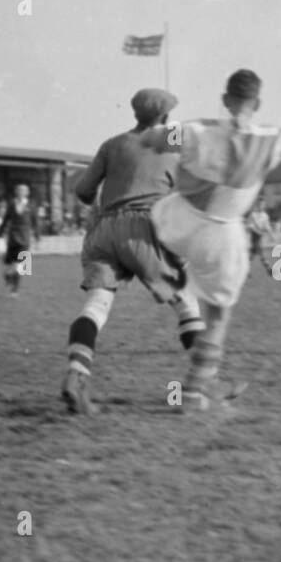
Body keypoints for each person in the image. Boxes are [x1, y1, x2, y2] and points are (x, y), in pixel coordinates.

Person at [140, 70, 281, 413]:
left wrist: (165, 129)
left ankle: (170, 279)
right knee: (217, 317)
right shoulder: (270, 138)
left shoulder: (195, 130)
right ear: (257, 102)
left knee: (197, 292)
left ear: (225, 99)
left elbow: (152, 141)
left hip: (178, 220)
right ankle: (191, 393)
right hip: (221, 233)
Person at [59, 88, 206, 415]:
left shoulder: (112, 144)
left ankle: (76, 374)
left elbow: (83, 191)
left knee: (97, 305)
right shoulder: (173, 143)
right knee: (186, 303)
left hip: (104, 229)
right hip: (145, 228)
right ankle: (204, 385)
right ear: (165, 118)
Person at [0, 184, 39, 296]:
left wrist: (38, 238)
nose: (21, 192)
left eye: (23, 190)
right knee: (7, 268)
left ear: (27, 193)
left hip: (25, 240)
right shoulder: (11, 205)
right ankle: (9, 281)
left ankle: (14, 290)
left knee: (20, 267)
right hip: (12, 239)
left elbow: (35, 223)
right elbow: (5, 221)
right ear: (16, 192)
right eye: (19, 190)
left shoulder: (32, 205)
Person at [246, 196, 275, 276]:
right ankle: (269, 269)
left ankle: (246, 270)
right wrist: (254, 228)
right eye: (259, 204)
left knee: (253, 254)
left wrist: (271, 235)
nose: (261, 206)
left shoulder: (265, 216)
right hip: (255, 236)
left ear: (264, 205)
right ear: (257, 205)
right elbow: (249, 226)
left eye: (262, 204)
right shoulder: (253, 215)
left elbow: (267, 226)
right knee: (260, 252)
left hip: (260, 236)